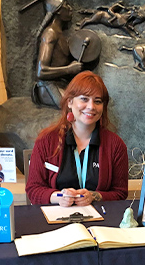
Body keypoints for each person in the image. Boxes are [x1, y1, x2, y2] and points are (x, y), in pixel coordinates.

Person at [26, 71, 128, 206]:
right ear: (69, 102)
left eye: (97, 101)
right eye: (84, 99)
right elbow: (33, 190)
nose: (91, 106)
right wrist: (60, 197)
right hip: (58, 221)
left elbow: (120, 193)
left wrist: (94, 196)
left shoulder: (115, 145)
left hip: (99, 222)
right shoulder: (46, 141)